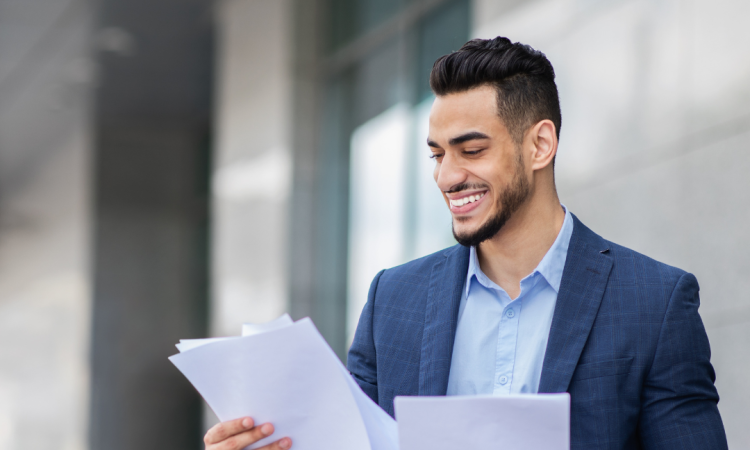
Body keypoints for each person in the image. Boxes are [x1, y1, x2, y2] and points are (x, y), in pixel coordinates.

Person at [203, 36, 727, 450]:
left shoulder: (654, 303)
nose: (447, 177)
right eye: (437, 155)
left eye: (471, 150)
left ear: (540, 144)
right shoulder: (394, 300)